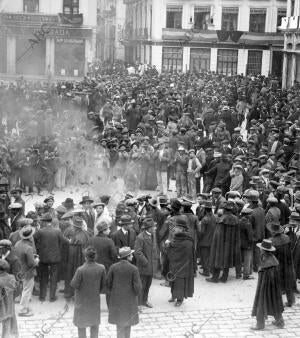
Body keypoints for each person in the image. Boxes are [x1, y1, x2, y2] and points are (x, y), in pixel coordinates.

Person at [106, 246, 142, 338]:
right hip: (129, 301)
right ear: (128, 256)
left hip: (117, 300)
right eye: (131, 255)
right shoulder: (134, 269)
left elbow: (108, 283)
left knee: (119, 323)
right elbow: (137, 288)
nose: (132, 256)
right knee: (128, 322)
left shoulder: (113, 267)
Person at [71, 246, 106, 338]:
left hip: (82, 302)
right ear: (95, 257)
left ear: (85, 257)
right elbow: (103, 285)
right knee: (94, 325)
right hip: (94, 301)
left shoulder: (80, 270)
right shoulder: (101, 268)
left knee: (81, 325)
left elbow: (74, 284)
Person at [251, 239, 284, 330]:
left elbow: (264, 272)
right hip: (274, 285)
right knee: (274, 299)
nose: (260, 249)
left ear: (264, 250)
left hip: (266, 284)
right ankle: (279, 321)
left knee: (261, 300)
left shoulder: (266, 259)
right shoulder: (271, 258)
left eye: (261, 248)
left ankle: (260, 324)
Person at [34, 213, 68, 302]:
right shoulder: (58, 231)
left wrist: (38, 249)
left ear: (44, 222)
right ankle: (52, 297)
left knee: (43, 277)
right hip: (55, 258)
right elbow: (65, 241)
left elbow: (33, 240)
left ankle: (42, 297)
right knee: (53, 277)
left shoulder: (40, 231)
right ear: (51, 221)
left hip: (43, 258)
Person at [207, 200, 241, 283]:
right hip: (231, 244)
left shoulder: (221, 219)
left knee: (218, 258)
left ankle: (215, 278)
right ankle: (224, 277)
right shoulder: (236, 219)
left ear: (224, 209)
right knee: (227, 258)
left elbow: (218, 235)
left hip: (221, 244)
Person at [166, 217, 195, 306]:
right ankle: (173, 296)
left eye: (177, 227)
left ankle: (180, 299)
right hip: (174, 263)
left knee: (180, 282)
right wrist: (169, 245)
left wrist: (171, 245)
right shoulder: (177, 237)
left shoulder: (188, 240)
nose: (174, 229)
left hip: (183, 265)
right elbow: (174, 246)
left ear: (182, 229)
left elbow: (187, 253)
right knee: (174, 280)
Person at [267, 222, 296, 307]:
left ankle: (278, 304)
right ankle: (291, 301)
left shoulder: (271, 241)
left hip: (277, 266)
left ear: (273, 232)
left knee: (277, 285)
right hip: (288, 264)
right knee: (288, 283)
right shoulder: (287, 238)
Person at [63, 215, 90, 299]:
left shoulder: (69, 231)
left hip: (71, 257)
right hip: (81, 258)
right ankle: (77, 293)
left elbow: (64, 244)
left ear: (74, 226)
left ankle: (69, 292)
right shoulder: (86, 234)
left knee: (70, 273)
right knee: (79, 274)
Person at [14, 226, 39, 317]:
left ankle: (25, 306)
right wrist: (36, 260)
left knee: (23, 289)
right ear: (29, 237)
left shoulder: (17, 244)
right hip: (27, 272)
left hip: (19, 270)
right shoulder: (28, 248)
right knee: (27, 290)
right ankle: (23, 310)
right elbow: (31, 263)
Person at [134, 217, 156, 308]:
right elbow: (137, 252)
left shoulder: (153, 235)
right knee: (141, 285)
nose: (154, 229)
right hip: (144, 266)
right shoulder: (140, 237)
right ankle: (138, 304)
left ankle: (145, 300)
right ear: (148, 228)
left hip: (151, 265)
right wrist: (146, 262)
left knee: (148, 284)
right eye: (153, 227)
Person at [0, 259, 18, 338]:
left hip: (1, 307)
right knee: (7, 329)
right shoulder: (12, 277)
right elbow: (17, 292)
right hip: (9, 307)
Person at [198, 200, 216, 277]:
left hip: (205, 241)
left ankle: (206, 271)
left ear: (205, 209)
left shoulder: (204, 219)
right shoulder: (214, 217)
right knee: (210, 256)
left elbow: (202, 232)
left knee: (205, 257)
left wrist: (199, 239)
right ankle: (211, 270)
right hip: (212, 240)